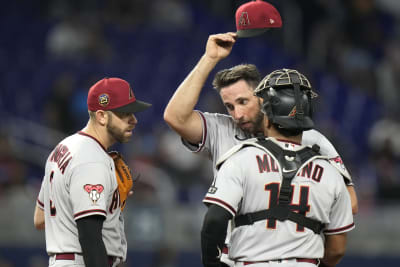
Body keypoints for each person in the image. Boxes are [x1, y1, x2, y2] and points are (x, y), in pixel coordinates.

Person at [163, 32, 357, 266]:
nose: (237, 114)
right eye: (229, 106)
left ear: (265, 98)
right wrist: (209, 58)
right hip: (234, 255)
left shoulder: (311, 138)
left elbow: (349, 201)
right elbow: (175, 117)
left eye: (243, 101)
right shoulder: (222, 128)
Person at [201, 68, 355, 267]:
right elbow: (337, 250)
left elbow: (214, 221)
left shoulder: (240, 158)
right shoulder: (330, 172)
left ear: (267, 113)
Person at [33, 77, 151, 267]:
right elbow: (90, 238)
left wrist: (106, 203)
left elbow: (40, 219)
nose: (134, 120)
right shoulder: (91, 159)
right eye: (125, 114)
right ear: (102, 116)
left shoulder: (63, 147)